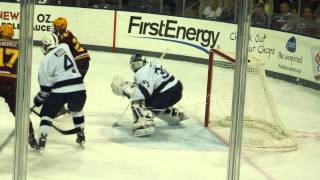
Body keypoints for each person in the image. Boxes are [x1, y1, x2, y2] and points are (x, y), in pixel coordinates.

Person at [111, 54, 187, 137]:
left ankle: (144, 124)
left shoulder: (140, 73)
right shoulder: (151, 64)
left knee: (138, 103)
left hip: (167, 93)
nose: (137, 67)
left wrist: (127, 90)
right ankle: (175, 115)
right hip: (176, 88)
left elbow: (144, 93)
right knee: (156, 105)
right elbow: (151, 86)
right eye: (135, 65)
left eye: (137, 64)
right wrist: (134, 86)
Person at [33, 33, 87, 150]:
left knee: (47, 114)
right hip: (79, 88)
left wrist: (39, 100)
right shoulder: (64, 47)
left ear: (46, 45)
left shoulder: (45, 61)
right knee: (76, 110)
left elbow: (45, 87)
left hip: (60, 91)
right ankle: (81, 134)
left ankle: (42, 139)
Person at [0, 24, 38, 149]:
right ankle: (30, 134)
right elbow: (24, 68)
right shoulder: (19, 46)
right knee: (20, 112)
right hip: (12, 82)